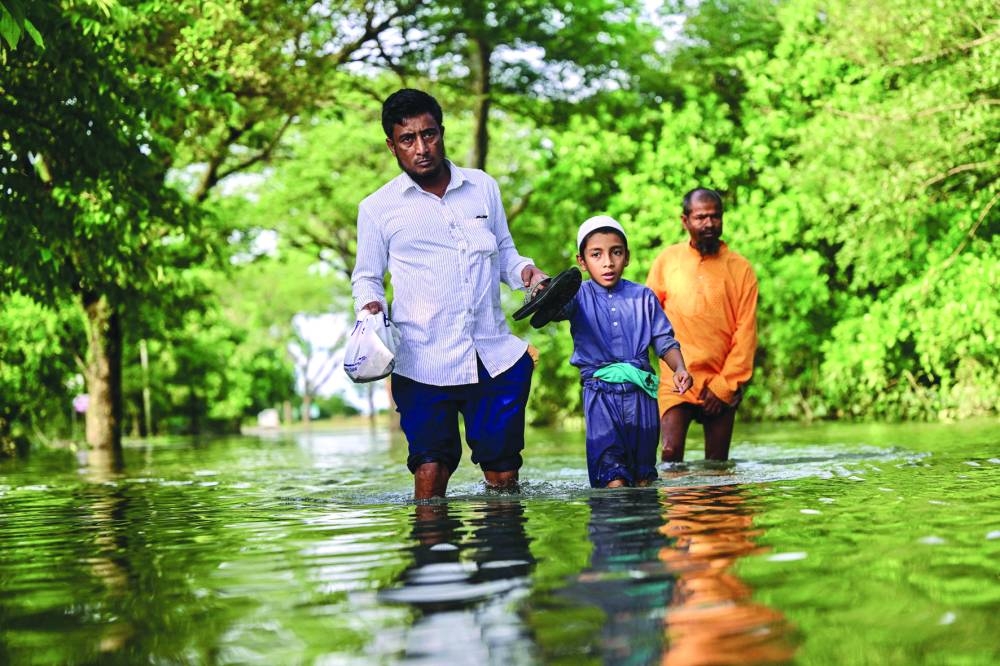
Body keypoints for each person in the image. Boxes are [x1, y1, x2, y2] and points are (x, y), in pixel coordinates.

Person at [351, 88, 547, 499]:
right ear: (392, 146)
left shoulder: (482, 188)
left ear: (442, 132)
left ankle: (501, 557)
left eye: (429, 135)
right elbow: (367, 277)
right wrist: (371, 308)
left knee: (504, 477)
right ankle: (430, 551)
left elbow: (506, 253)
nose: (421, 148)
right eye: (408, 139)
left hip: (492, 357)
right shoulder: (376, 208)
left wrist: (527, 274)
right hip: (421, 360)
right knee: (429, 469)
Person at [553, 215, 692, 488]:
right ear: (582, 262)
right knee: (612, 478)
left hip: (642, 397)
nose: (608, 262)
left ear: (627, 257)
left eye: (616, 252)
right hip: (600, 396)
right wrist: (544, 292)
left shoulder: (644, 297)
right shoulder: (577, 296)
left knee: (643, 478)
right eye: (596, 254)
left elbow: (664, 340)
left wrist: (680, 368)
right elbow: (554, 310)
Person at [645, 187, 758, 463]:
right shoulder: (667, 261)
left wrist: (724, 386)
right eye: (701, 217)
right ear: (685, 221)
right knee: (670, 456)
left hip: (721, 381)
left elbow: (746, 333)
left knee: (717, 467)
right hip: (676, 378)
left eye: (715, 217)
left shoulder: (741, 269)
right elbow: (646, 317)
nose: (709, 224)